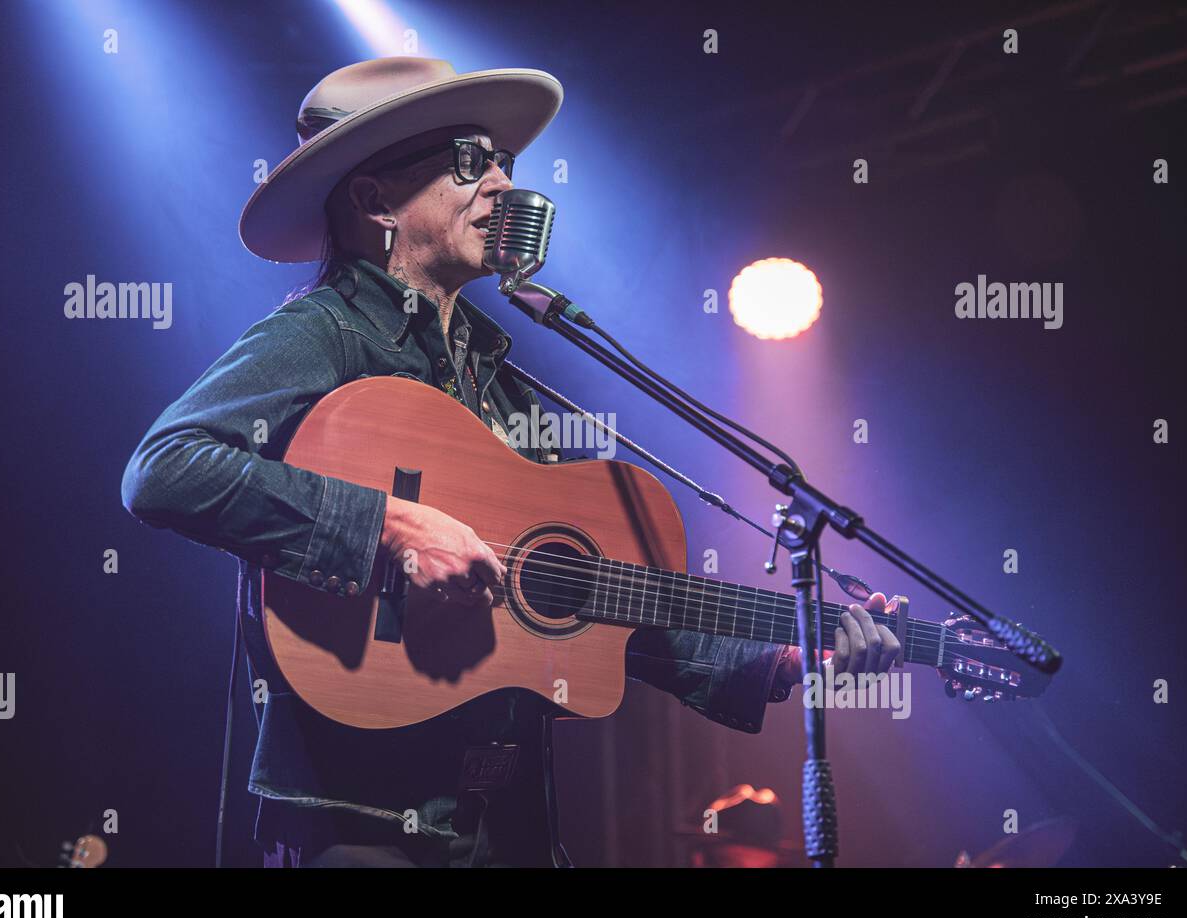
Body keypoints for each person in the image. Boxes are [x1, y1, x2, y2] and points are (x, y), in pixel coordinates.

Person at [120, 56, 902, 867]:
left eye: (503, 161)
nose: (500, 182)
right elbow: (167, 466)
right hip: (361, 824)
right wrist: (389, 525)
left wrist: (778, 652)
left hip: (507, 820)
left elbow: (589, 605)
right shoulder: (324, 332)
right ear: (374, 199)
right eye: (469, 160)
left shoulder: (501, 382)